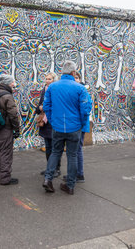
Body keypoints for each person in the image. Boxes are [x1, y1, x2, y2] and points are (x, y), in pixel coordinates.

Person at [42, 61, 92, 195]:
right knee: (72, 155)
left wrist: (53, 121)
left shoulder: (52, 87)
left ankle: (48, 179)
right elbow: (85, 109)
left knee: (55, 152)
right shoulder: (80, 88)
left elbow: (46, 106)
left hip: (57, 127)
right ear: (73, 72)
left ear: (62, 72)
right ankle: (70, 185)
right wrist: (81, 124)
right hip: (74, 127)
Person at [0, 74, 21, 185]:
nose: (14, 84)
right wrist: (16, 128)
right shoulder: (7, 96)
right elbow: (13, 114)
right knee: (6, 153)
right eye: (12, 82)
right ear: (8, 83)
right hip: (5, 128)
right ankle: (5, 178)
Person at [35, 72, 60, 177]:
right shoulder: (44, 90)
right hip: (45, 123)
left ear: (54, 80)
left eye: (49, 79)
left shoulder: (56, 90)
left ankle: (56, 169)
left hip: (52, 121)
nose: (47, 81)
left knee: (55, 147)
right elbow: (40, 105)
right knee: (48, 147)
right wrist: (39, 108)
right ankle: (49, 168)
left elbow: (56, 105)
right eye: (46, 79)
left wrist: (44, 107)